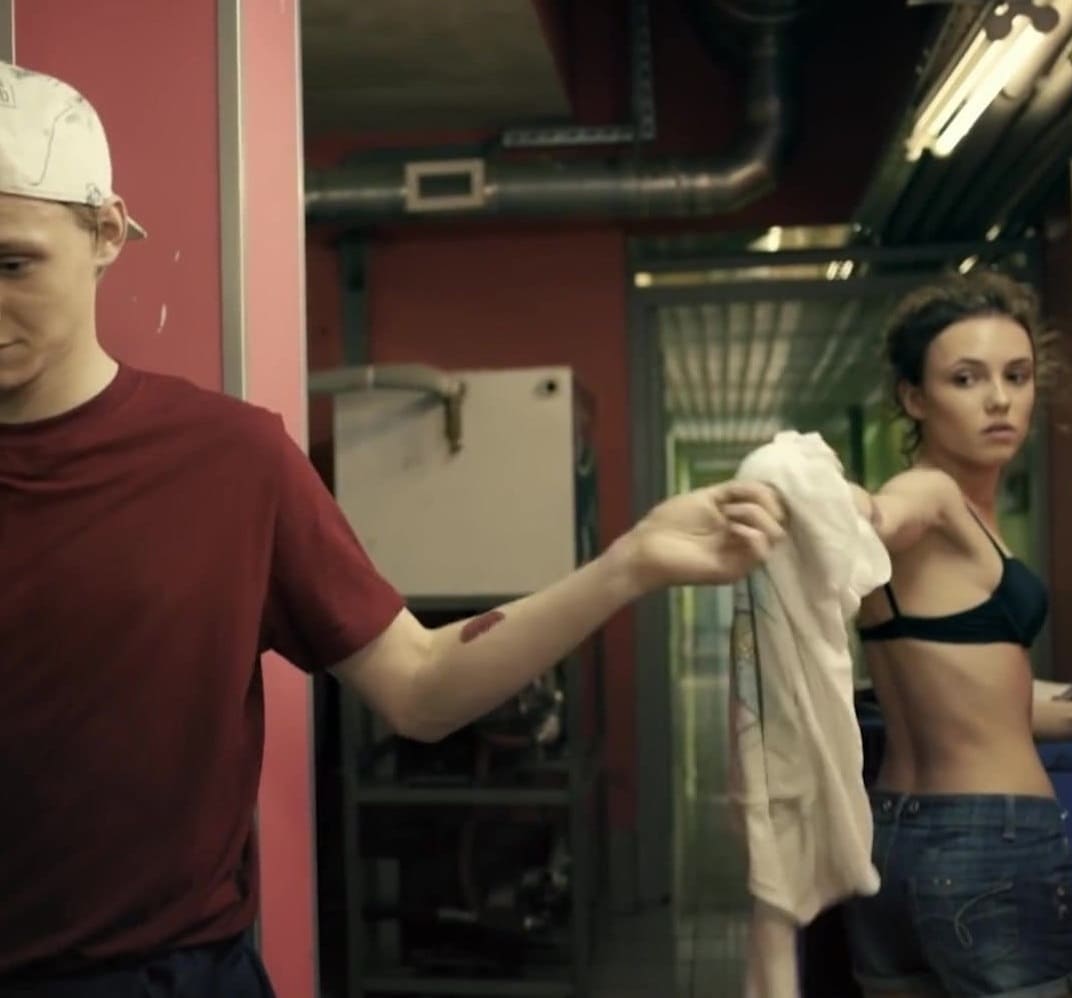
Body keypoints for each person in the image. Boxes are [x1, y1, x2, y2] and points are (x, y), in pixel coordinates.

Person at [0, 61, 786, 995]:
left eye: (12, 264)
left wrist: (627, 565)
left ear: (103, 234)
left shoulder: (229, 461)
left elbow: (419, 685)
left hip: (163, 975)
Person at [842, 270, 1072, 998]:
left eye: (1017, 375)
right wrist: (838, 499)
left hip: (889, 837)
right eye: (966, 378)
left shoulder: (970, 516)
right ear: (915, 398)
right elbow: (881, 515)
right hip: (992, 846)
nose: (1000, 398)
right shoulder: (931, 494)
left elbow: (968, 707)